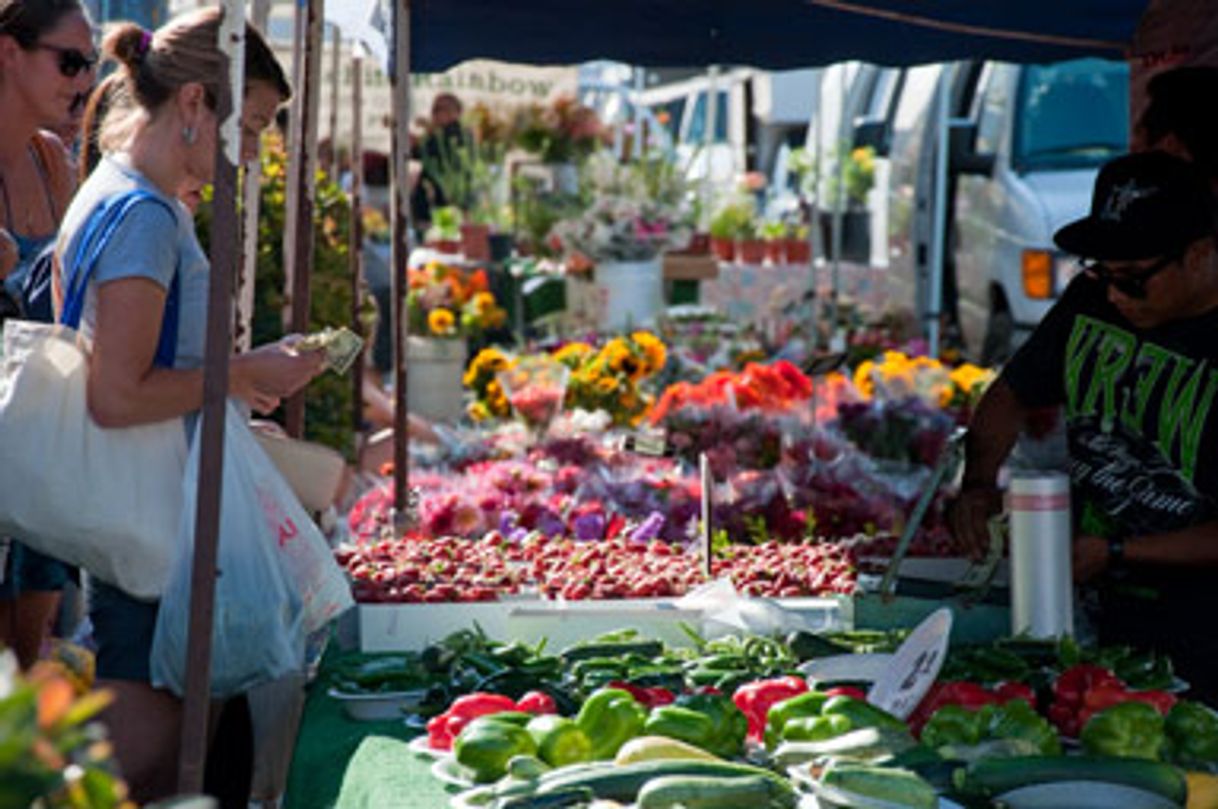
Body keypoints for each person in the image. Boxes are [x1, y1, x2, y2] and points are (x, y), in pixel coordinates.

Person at [54, 10, 324, 801]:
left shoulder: (130, 196)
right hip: (150, 540)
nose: (257, 149)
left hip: (147, 526)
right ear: (198, 104)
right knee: (138, 775)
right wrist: (240, 374)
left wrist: (234, 399)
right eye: (259, 124)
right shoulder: (142, 214)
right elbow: (117, 392)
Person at [950, 151, 1218, 703]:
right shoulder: (1093, 301)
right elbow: (1010, 394)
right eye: (1100, 270)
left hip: (1203, 636)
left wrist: (1116, 552)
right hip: (1099, 619)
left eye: (1132, 279)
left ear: (1199, 255)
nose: (1114, 293)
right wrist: (977, 484)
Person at [0, 0, 94, 670]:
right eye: (69, 61)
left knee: (25, 665)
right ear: (9, 53)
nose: (83, 80)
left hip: (40, 443)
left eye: (88, 64)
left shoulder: (53, 161)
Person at [411, 92, 471, 235]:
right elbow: (420, 156)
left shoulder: (460, 135)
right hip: (428, 201)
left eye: (441, 109)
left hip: (451, 201)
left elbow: (454, 160)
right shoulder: (433, 135)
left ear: (455, 112)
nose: (436, 114)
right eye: (435, 110)